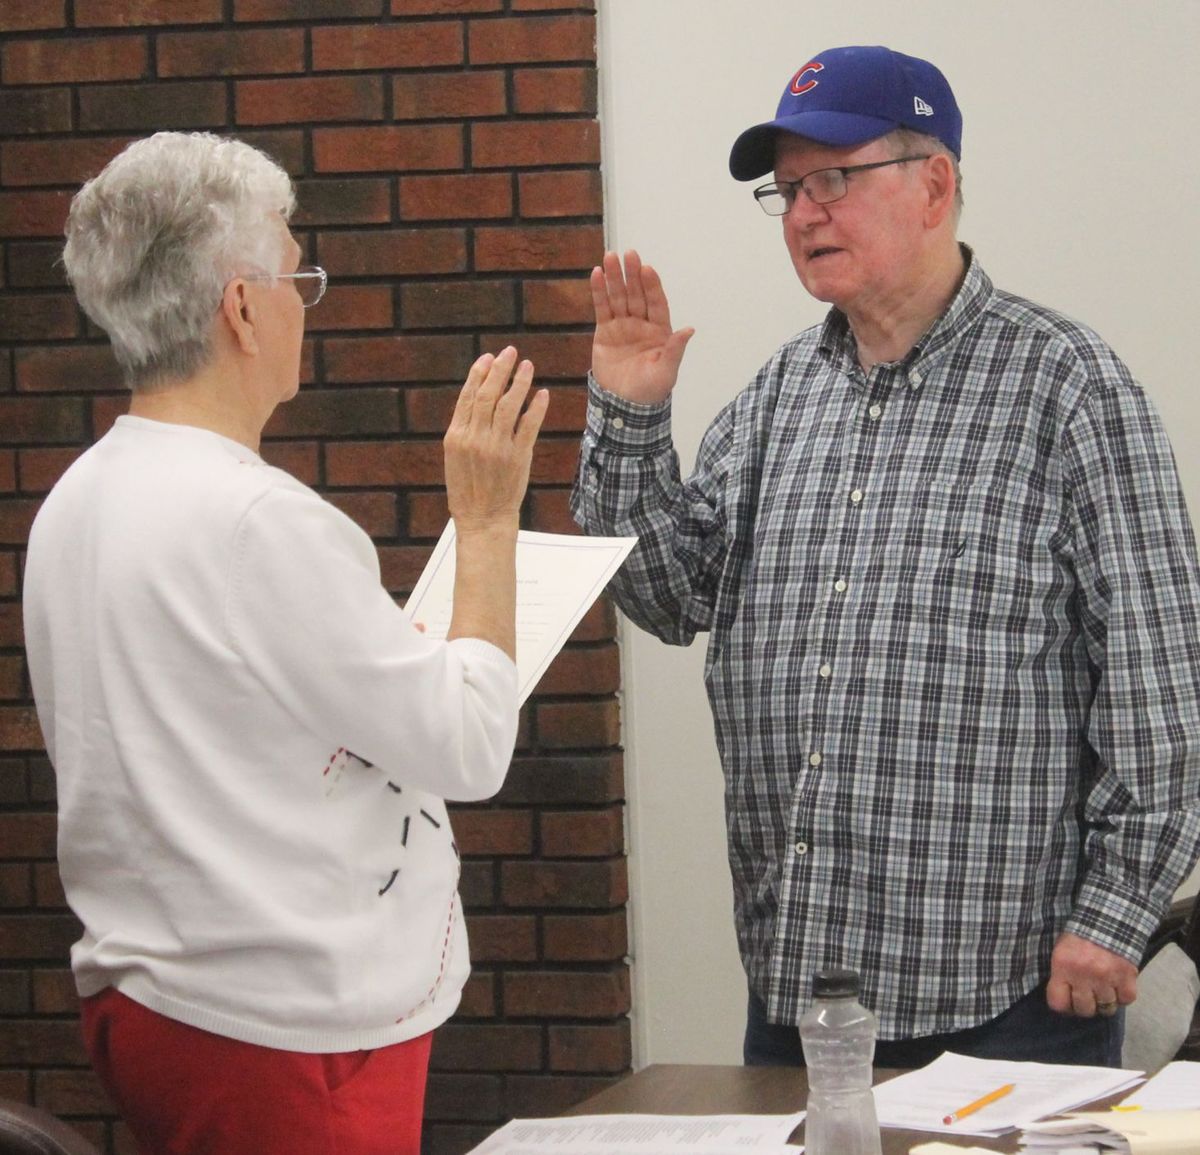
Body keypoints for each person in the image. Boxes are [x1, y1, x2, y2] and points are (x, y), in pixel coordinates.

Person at [571, 45, 1200, 1068]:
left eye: (836, 179)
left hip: (1010, 989)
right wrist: (632, 415)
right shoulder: (780, 398)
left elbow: (1162, 680)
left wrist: (1118, 910)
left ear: (934, 185)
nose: (807, 212)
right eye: (790, 190)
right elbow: (667, 594)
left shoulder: (1068, 389)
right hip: (801, 978)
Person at [23, 131, 547, 1154]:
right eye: (296, 269)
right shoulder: (259, 521)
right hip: (287, 1024)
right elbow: (470, 746)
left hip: (156, 995)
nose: (308, 297)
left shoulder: (77, 499)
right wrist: (486, 523)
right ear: (242, 305)